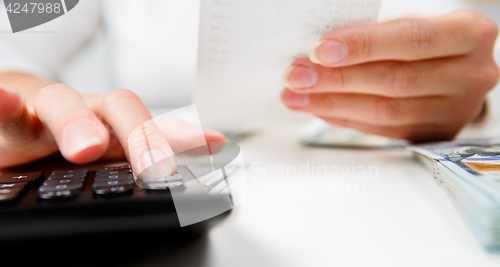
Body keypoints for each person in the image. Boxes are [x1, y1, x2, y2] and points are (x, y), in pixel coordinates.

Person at [0, 0, 499, 176]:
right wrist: (31, 112)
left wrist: (474, 104)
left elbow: (474, 40)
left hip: (398, 193)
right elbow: (14, 39)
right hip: (183, 182)